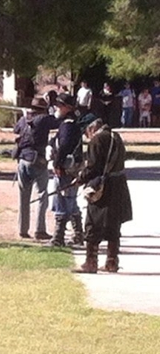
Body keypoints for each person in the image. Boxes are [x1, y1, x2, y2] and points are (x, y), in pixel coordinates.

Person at [74, 118, 133, 273]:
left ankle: (91, 262)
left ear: (92, 128)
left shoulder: (97, 139)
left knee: (93, 223)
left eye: (86, 132)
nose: (87, 137)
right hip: (119, 185)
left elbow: (93, 167)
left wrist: (80, 178)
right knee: (114, 224)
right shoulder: (116, 137)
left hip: (103, 188)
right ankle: (112, 261)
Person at [13, 97, 59, 240]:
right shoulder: (43, 119)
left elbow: (16, 129)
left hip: (23, 160)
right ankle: (39, 230)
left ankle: (23, 229)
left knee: (23, 197)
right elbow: (57, 122)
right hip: (37, 160)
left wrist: (24, 115)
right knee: (42, 196)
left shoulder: (24, 119)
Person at [45, 94, 84, 247]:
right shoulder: (71, 124)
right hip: (71, 167)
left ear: (68, 108)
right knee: (72, 202)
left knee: (62, 200)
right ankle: (78, 234)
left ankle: (58, 237)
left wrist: (57, 164)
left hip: (66, 169)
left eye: (60, 106)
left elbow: (65, 146)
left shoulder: (68, 125)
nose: (57, 108)